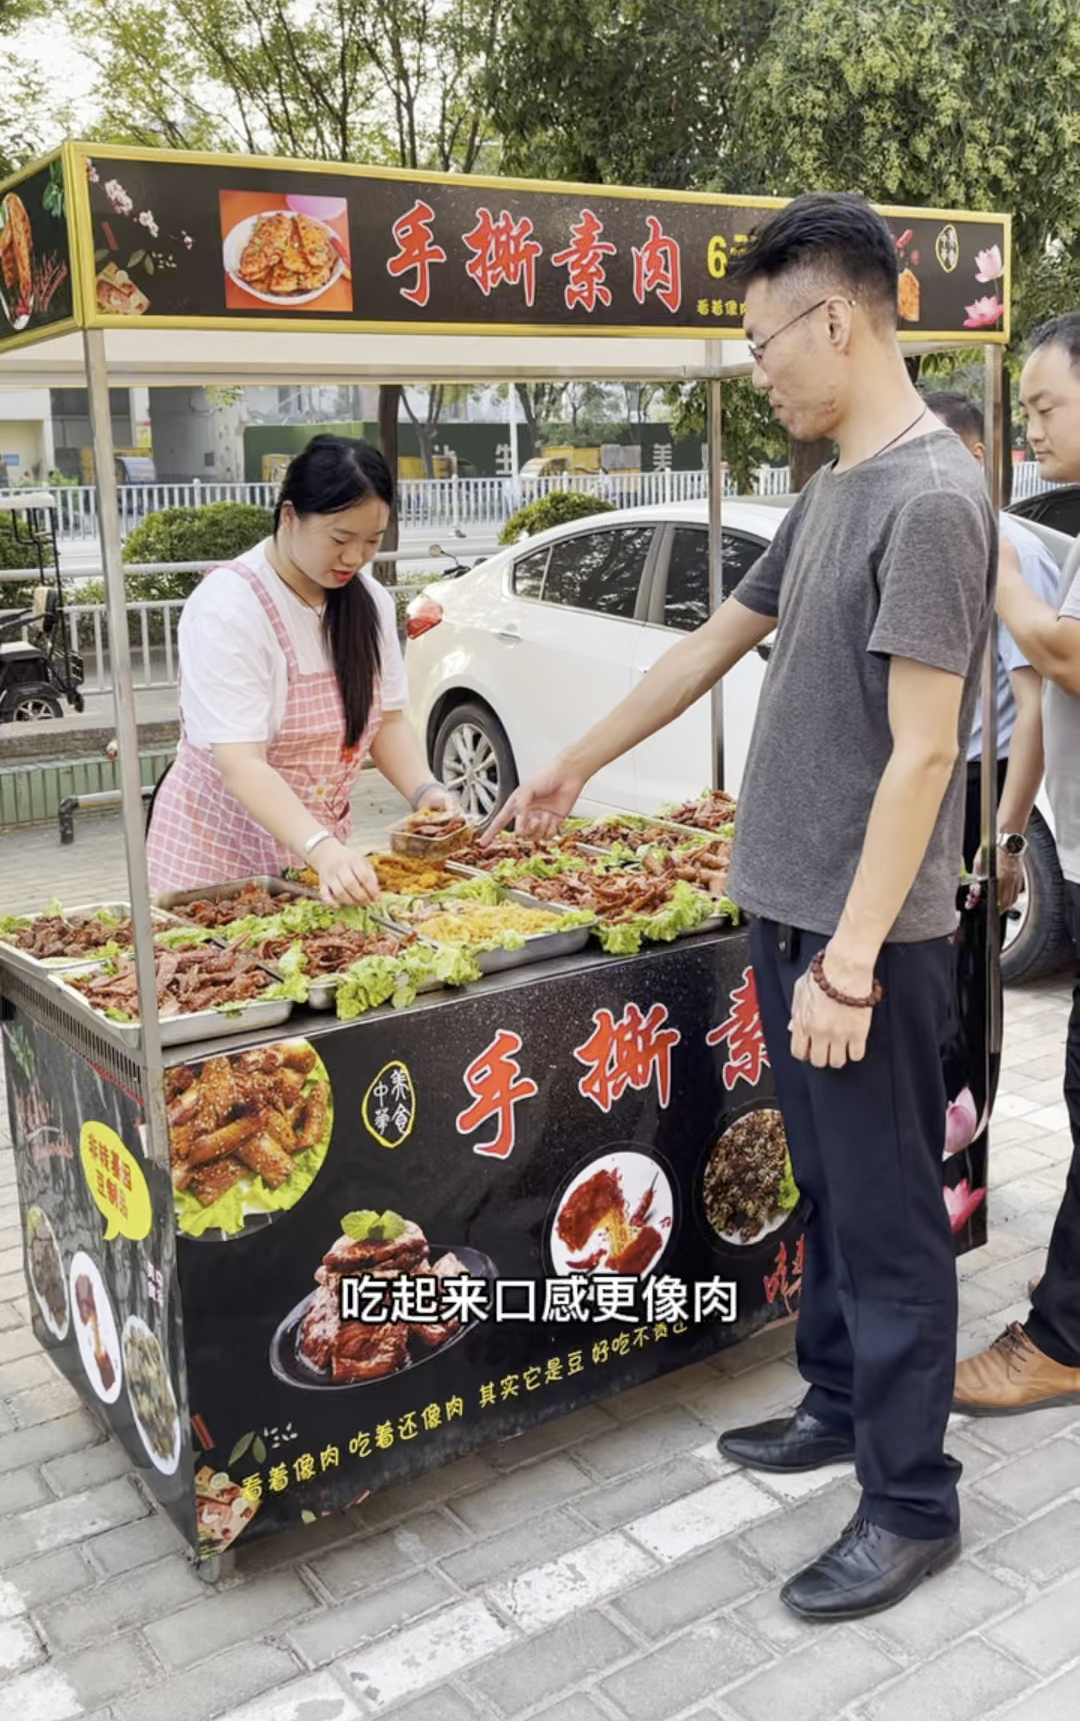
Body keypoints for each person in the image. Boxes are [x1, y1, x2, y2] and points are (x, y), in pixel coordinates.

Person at [490, 193, 996, 1620]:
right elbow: (718, 637)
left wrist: (843, 966)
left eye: (764, 341)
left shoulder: (935, 500)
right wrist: (577, 760)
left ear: (835, 319)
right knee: (830, 1191)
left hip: (861, 950)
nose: (756, 369)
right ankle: (835, 1400)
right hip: (788, 919)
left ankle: (909, 1504)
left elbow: (920, 758)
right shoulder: (833, 487)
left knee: (892, 1220)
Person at [146, 434, 456, 902]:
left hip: (317, 862)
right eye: (339, 539)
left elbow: (386, 721)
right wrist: (322, 848)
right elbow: (241, 763)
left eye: (371, 541)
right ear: (289, 516)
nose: (354, 557)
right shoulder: (229, 606)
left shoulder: (366, 598)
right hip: (217, 863)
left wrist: (424, 790)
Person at [955, 315, 1080, 1413]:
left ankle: (1064, 1337)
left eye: (1045, 406)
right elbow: (1042, 703)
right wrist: (1012, 838)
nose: (1030, 426)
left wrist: (982, 541)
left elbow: (1053, 652)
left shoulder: (1026, 552)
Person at [923, 392, 1057, 915]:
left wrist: (1006, 839)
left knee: (968, 971)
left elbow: (1036, 705)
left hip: (981, 784)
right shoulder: (930, 542)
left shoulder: (1011, 551)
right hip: (932, 773)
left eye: (932, 452)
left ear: (975, 458)